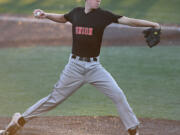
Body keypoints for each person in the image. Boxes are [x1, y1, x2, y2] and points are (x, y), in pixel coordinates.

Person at [0, 0, 160, 135]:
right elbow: (63, 18)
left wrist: (154, 24)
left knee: (117, 94)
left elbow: (129, 20)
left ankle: (133, 131)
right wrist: (46, 15)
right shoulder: (76, 13)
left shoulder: (104, 16)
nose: (99, 0)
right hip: (74, 67)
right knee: (54, 99)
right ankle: (20, 121)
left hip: (94, 67)